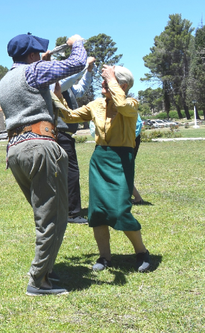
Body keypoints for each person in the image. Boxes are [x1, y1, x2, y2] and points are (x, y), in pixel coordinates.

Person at [0, 33, 87, 296]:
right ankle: (38, 280)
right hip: (40, 146)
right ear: (33, 55)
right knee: (53, 217)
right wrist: (76, 43)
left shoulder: (5, 81)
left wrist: (42, 63)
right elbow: (77, 63)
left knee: (46, 214)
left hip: (16, 151)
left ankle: (46, 269)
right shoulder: (35, 71)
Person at [52, 65, 152, 273]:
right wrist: (57, 96)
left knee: (119, 209)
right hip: (100, 159)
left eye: (106, 81)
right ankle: (105, 256)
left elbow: (122, 105)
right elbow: (70, 116)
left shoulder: (131, 103)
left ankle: (142, 252)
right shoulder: (96, 104)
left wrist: (112, 79)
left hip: (121, 160)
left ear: (121, 85)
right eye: (105, 80)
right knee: (97, 212)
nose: (102, 83)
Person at [51, 56, 96, 224]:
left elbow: (81, 89)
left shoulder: (65, 87)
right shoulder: (55, 84)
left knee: (63, 174)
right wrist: (83, 65)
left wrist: (89, 71)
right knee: (70, 173)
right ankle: (72, 213)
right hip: (60, 134)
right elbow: (69, 81)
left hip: (64, 135)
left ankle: (62, 210)